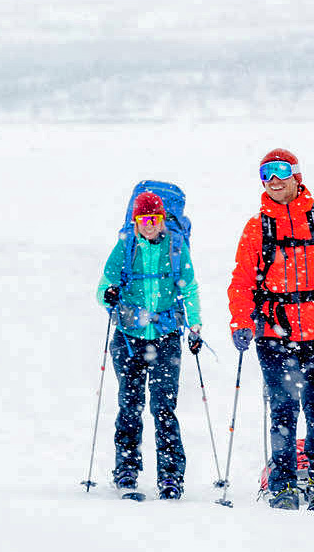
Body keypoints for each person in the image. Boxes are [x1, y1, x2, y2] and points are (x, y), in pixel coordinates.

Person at [227, 149, 314, 511]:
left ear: (296, 175)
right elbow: (242, 282)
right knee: (283, 409)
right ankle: (283, 485)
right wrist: (242, 321)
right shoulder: (257, 227)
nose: (274, 181)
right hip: (274, 334)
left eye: (281, 172)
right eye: (266, 175)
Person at [97, 191, 202, 500]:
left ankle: (171, 476)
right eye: (143, 220)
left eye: (154, 219)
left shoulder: (176, 248)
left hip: (167, 338)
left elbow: (190, 287)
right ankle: (126, 469)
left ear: (162, 220)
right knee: (130, 405)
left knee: (164, 408)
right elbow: (103, 287)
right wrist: (109, 295)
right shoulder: (126, 248)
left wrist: (194, 326)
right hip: (129, 339)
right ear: (136, 222)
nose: (149, 226)